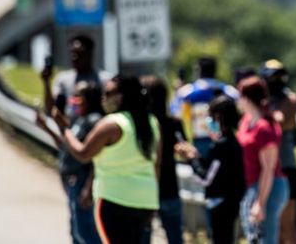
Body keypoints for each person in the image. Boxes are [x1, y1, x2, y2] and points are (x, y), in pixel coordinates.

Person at [55, 75, 161, 244]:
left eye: (109, 93)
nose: (104, 98)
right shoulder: (151, 122)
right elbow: (156, 166)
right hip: (146, 200)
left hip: (114, 199)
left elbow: (83, 154)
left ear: (122, 96)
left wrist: (64, 130)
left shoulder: (112, 124)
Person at [36, 80, 104, 244]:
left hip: (82, 181)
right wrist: (47, 127)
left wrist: (88, 187)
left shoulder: (94, 121)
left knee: (85, 232)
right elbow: (67, 145)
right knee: (76, 230)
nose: (73, 100)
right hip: (72, 181)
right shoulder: (80, 120)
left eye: (78, 96)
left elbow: (95, 157)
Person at [175, 94, 246, 244]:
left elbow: (206, 178)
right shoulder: (232, 142)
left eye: (211, 116)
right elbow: (213, 168)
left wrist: (191, 159)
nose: (209, 121)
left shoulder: (221, 145)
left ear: (218, 117)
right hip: (231, 201)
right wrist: (196, 156)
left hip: (221, 204)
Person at [236, 76, 289, 244]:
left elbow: (269, 168)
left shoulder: (264, 127)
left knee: (266, 237)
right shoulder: (246, 120)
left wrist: (260, 202)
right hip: (253, 184)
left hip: (269, 186)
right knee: (253, 236)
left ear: (247, 97)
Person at [139, 75, 186, 244]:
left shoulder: (140, 126)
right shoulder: (173, 123)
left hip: (144, 188)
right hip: (169, 187)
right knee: (175, 238)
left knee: (142, 238)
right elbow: (184, 148)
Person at [260, 59, 296, 244]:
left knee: (286, 227)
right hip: (266, 168)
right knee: (272, 228)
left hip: (285, 167)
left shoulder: (289, 99)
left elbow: (281, 121)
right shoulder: (264, 101)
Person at [171, 56, 239, 158]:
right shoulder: (228, 90)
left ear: (198, 70)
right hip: (225, 139)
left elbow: (174, 112)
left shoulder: (186, 92)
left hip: (199, 139)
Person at [49, 34, 111, 119]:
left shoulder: (105, 80)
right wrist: (46, 82)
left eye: (79, 54)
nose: (74, 58)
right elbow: (51, 108)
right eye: (72, 53)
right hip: (71, 127)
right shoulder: (62, 79)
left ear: (89, 54)